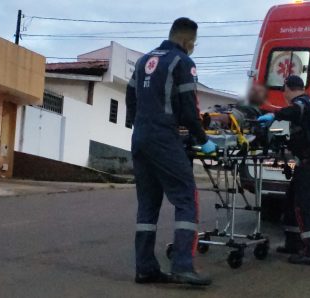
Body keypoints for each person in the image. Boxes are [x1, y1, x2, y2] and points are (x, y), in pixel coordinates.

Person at [125, 17, 216, 286]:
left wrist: (136, 122)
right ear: (188, 40)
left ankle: (145, 268)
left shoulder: (144, 61)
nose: (193, 47)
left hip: (140, 138)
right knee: (187, 199)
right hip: (164, 137)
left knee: (148, 206)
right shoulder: (182, 62)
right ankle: (183, 266)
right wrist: (203, 140)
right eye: (194, 43)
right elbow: (189, 109)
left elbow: (130, 94)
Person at [258, 75, 310, 265]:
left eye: (284, 91)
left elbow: (294, 111)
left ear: (288, 89)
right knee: (292, 200)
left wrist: (274, 115)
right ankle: (293, 242)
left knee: (305, 204)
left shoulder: (303, 102)